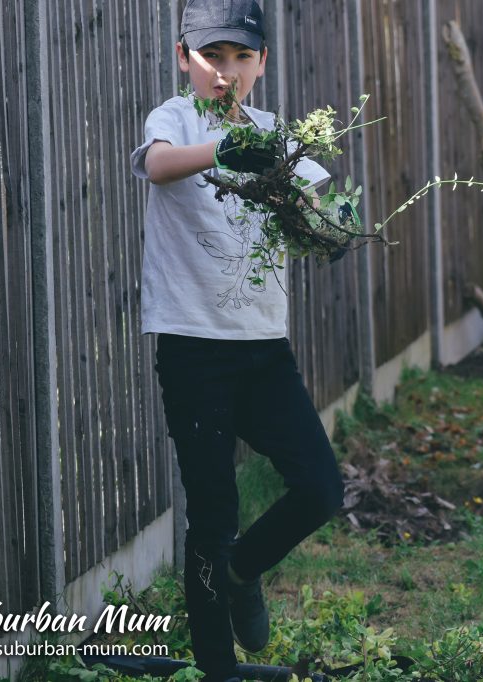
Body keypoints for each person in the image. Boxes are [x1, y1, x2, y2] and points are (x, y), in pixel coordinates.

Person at [129, 1, 343, 679]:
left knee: (320, 488)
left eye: (241, 58)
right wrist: (222, 147)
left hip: (262, 347)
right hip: (193, 346)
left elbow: (318, 214)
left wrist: (332, 225)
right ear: (182, 58)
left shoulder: (278, 135)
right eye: (211, 58)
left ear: (262, 62)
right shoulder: (175, 120)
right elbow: (159, 167)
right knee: (213, 510)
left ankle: (244, 572)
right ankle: (216, 669)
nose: (226, 73)